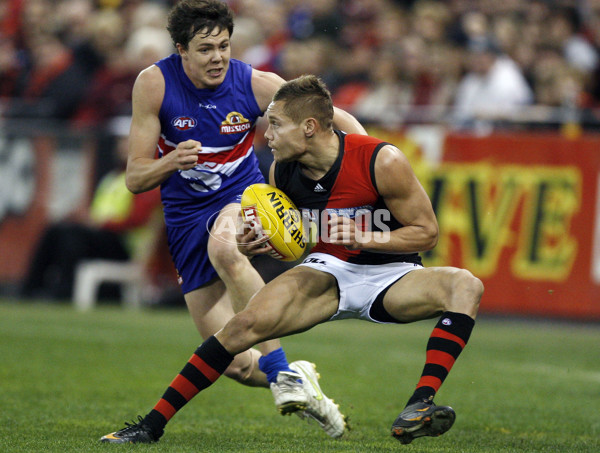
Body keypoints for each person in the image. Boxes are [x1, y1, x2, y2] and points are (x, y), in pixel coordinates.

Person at [101, 74, 483, 445]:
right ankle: (150, 426)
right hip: (329, 271)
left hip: (392, 275)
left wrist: (366, 236)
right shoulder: (280, 172)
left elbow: (426, 232)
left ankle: (419, 405)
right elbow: (297, 240)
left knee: (465, 285)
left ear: (310, 127)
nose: (265, 135)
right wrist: (260, 244)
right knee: (241, 327)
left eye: (276, 125)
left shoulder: (381, 160)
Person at [100, 0, 366, 443]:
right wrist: (171, 163)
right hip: (184, 220)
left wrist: (370, 161)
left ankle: (282, 374)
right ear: (181, 49)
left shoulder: (257, 84)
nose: (218, 57)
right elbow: (134, 177)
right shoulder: (154, 84)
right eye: (206, 49)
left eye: (224, 46)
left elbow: (336, 119)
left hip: (243, 197)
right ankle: (301, 381)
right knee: (238, 365)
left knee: (225, 246)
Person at [20, 116, 162, 300]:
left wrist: (99, 224)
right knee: (56, 230)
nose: (121, 145)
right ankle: (31, 289)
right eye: (120, 140)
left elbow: (138, 220)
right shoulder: (113, 178)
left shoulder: (147, 178)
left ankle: (65, 292)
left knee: (72, 238)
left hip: (124, 245)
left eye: (126, 140)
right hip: (103, 237)